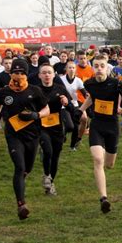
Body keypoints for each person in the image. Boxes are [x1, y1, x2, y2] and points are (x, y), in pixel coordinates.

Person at [0, 59, 50, 220]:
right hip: (13, 135)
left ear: (26, 74)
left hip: (32, 135)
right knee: (19, 167)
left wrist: (37, 115)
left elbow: (46, 108)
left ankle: (20, 183)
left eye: (22, 73)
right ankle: (21, 205)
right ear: (11, 73)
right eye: (16, 72)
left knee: (27, 168)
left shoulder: (35, 91)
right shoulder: (4, 92)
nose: (19, 76)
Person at [75, 55, 122, 213]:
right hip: (97, 125)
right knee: (98, 159)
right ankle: (104, 198)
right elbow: (91, 98)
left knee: (109, 164)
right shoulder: (89, 84)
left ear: (107, 68)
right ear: (93, 68)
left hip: (113, 126)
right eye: (96, 65)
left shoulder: (115, 84)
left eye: (102, 65)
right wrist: (80, 110)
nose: (99, 68)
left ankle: (109, 163)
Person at [38, 63, 74, 195]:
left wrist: (67, 103)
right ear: (39, 75)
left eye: (49, 72)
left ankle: (50, 183)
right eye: (44, 72)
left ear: (54, 74)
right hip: (41, 126)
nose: (47, 75)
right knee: (47, 151)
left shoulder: (60, 89)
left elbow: (71, 109)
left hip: (57, 126)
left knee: (55, 156)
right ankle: (46, 175)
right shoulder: (36, 90)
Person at [59, 61, 87, 150]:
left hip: (74, 105)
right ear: (66, 69)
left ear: (75, 69)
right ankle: (62, 136)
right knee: (69, 126)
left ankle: (72, 146)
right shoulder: (61, 79)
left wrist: (88, 95)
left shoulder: (78, 80)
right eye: (69, 67)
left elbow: (84, 92)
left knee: (75, 126)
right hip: (63, 106)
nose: (71, 69)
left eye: (73, 68)